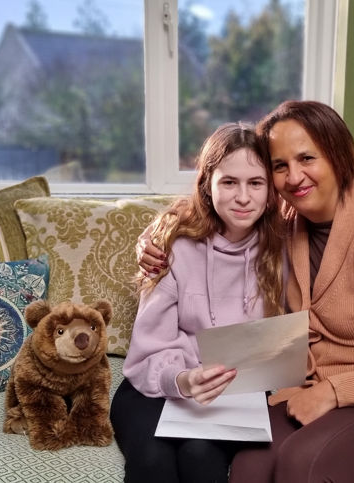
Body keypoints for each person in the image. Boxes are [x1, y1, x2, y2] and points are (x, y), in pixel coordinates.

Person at [138, 100, 354, 483]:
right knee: (248, 467)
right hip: (333, 390)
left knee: (303, 467)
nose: (294, 177)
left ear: (338, 156)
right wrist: (156, 239)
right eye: (280, 166)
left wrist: (333, 392)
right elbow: (212, 204)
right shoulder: (287, 220)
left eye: (307, 158)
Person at [112, 122, 286, 483]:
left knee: (199, 456)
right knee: (152, 462)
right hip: (158, 384)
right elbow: (148, 351)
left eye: (255, 183)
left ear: (271, 190)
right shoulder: (172, 246)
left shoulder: (284, 249)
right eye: (228, 182)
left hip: (237, 393)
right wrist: (183, 379)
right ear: (207, 184)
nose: (243, 197)